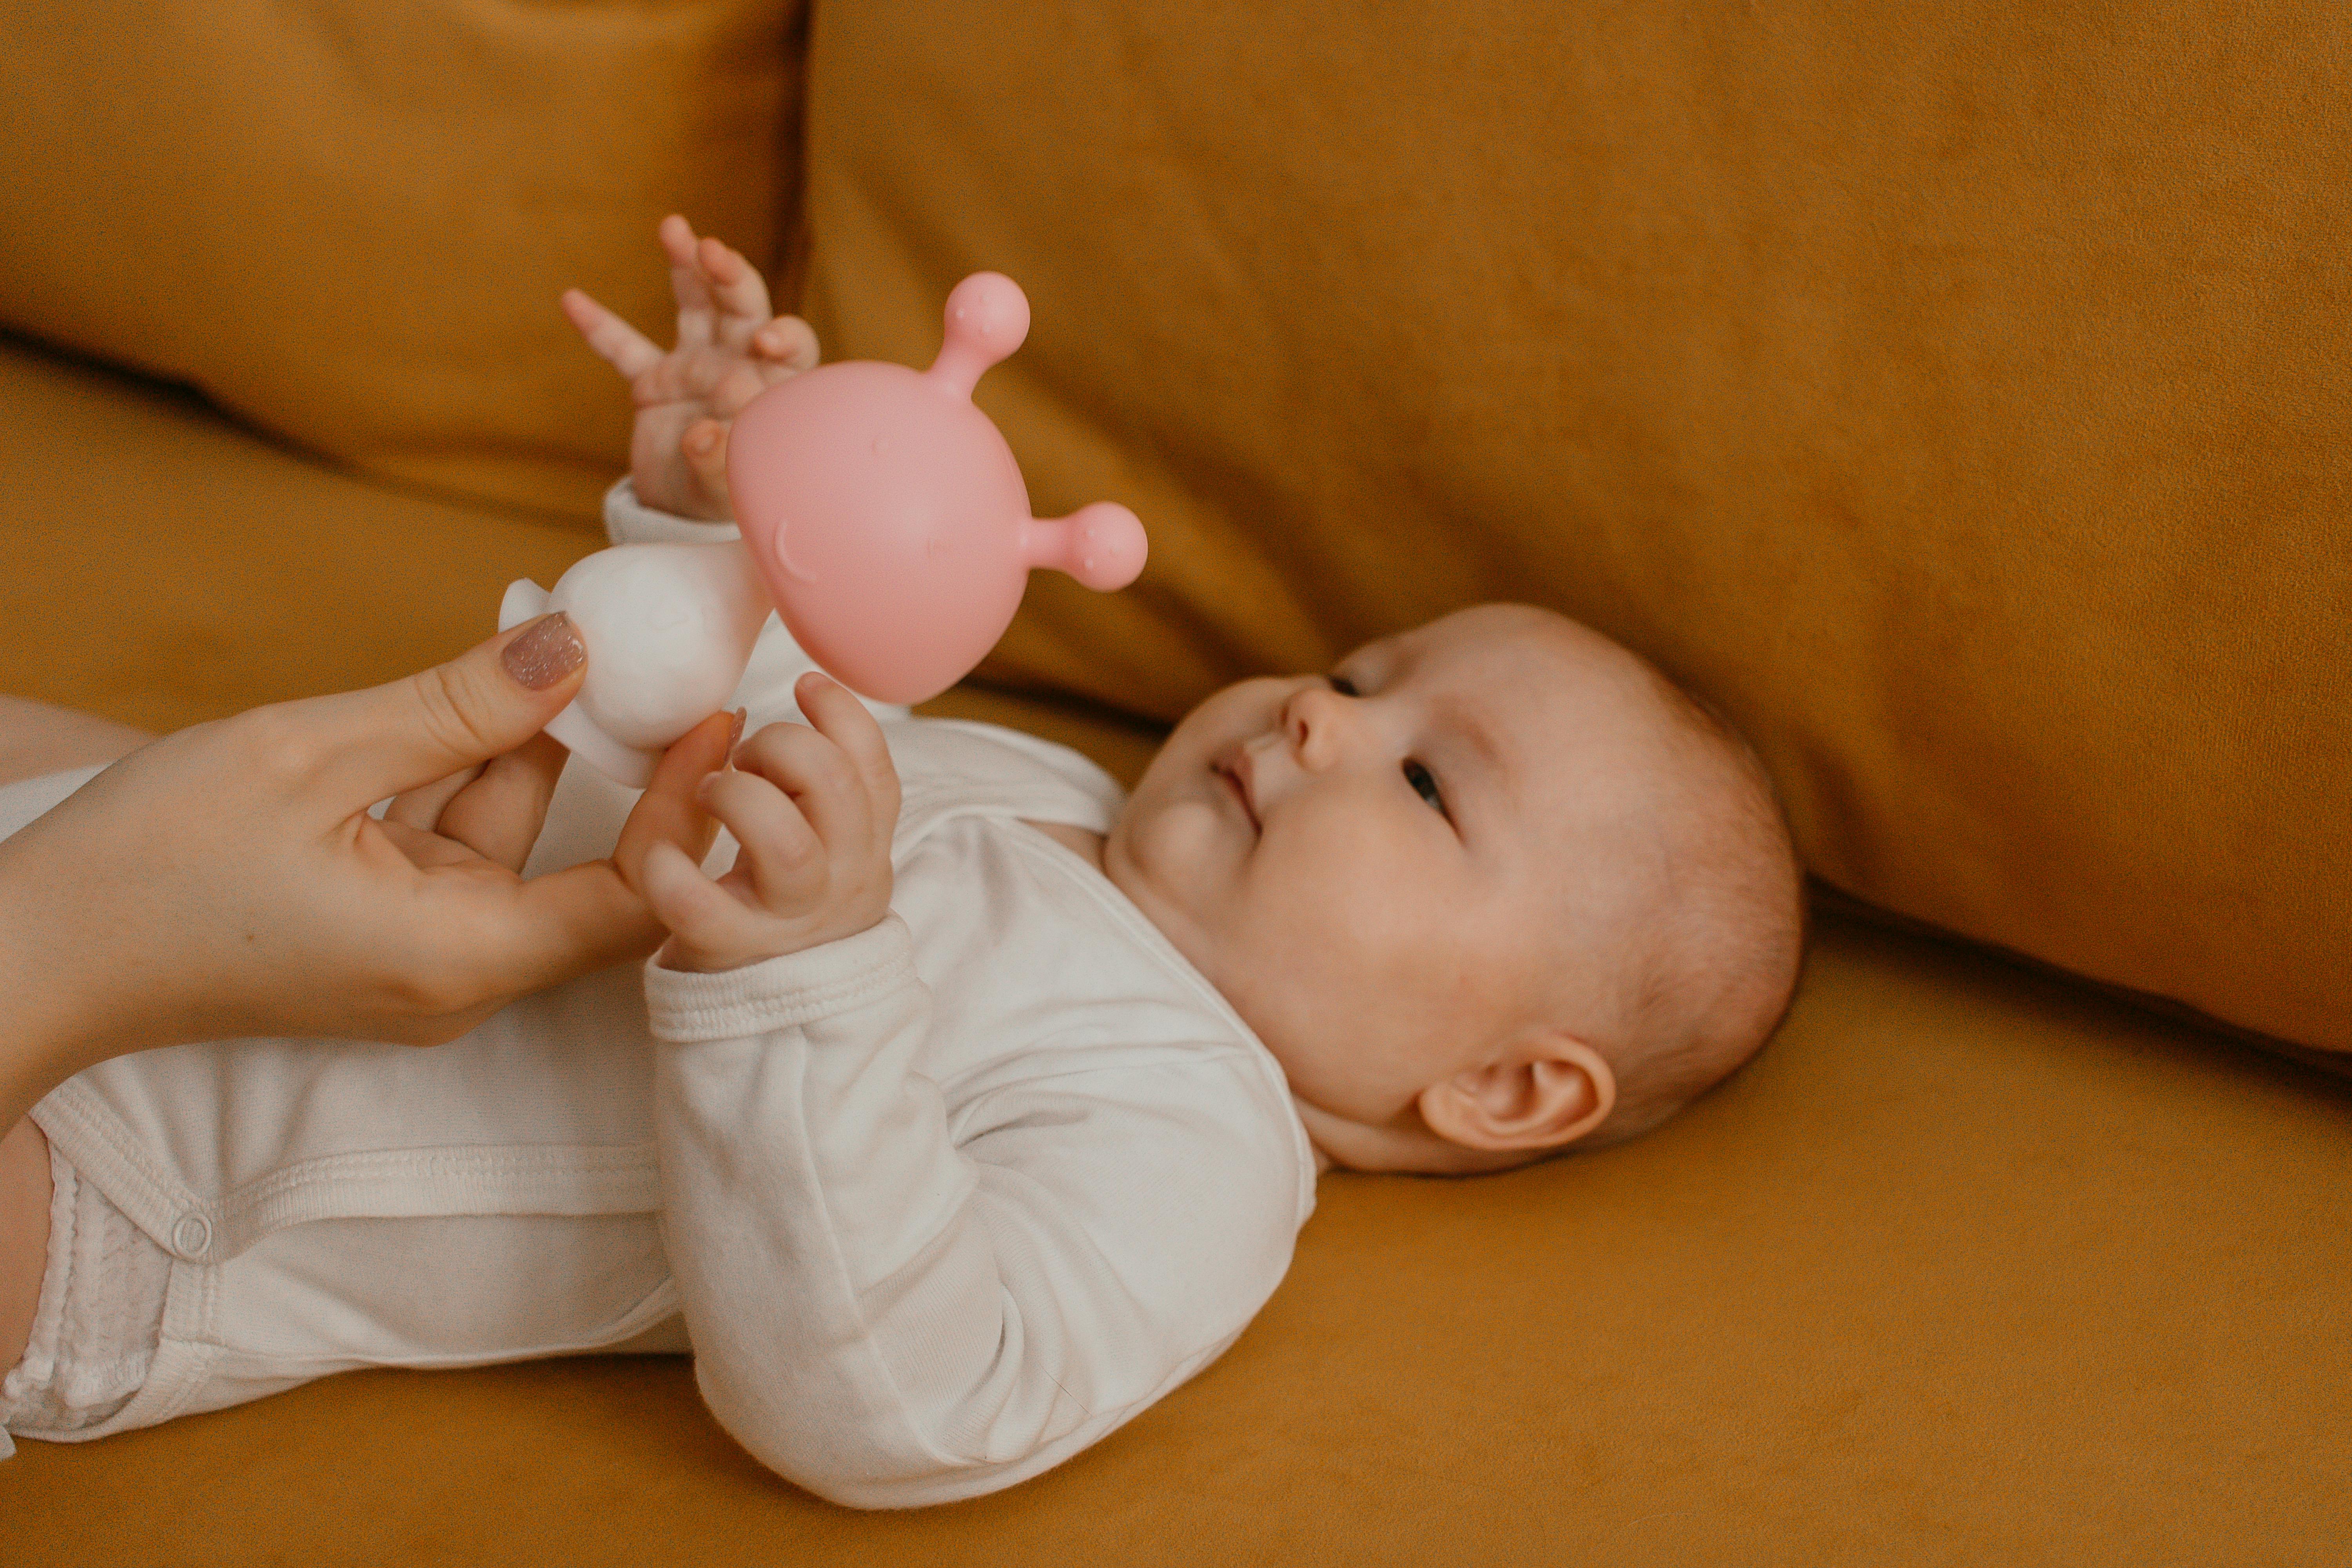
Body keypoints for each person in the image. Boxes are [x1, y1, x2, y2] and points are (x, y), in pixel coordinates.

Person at [0, 219, 1804, 1504]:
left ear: (1504, 1086)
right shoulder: (1051, 781)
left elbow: (915, 1403)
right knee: (79, 754)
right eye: (1355, 672)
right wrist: (718, 517)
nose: (1323, 720)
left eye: (1425, 784)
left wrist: (804, 979)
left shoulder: (1193, 1132)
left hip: (135, 1197)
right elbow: (700, 689)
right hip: (251, 875)